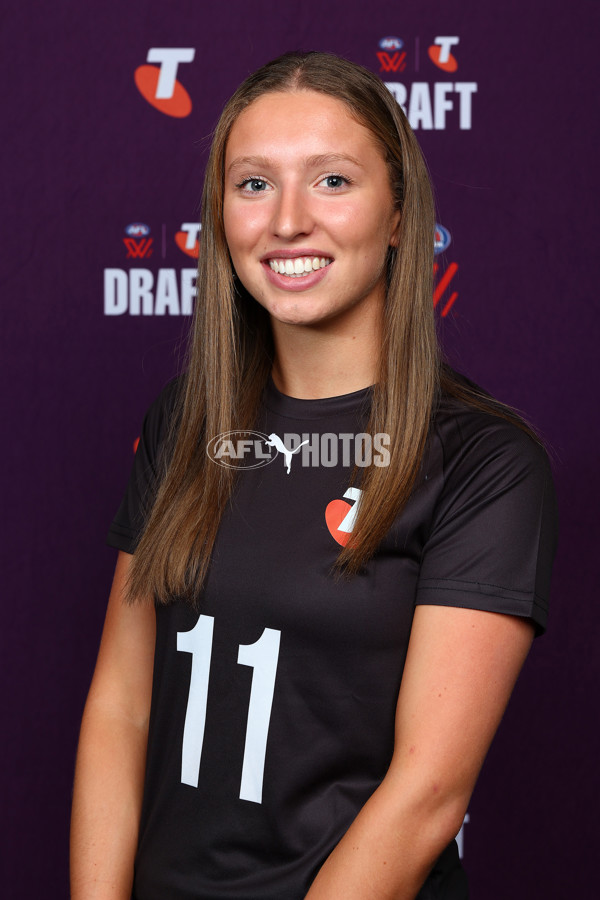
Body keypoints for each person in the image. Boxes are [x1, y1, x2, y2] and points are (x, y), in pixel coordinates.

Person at [70, 51, 557, 900]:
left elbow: (426, 797)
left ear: (399, 215)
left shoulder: (483, 462)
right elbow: (122, 704)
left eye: (332, 180)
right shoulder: (186, 421)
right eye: (254, 184)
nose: (287, 220)